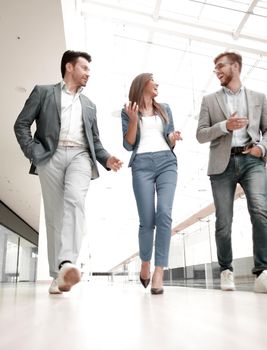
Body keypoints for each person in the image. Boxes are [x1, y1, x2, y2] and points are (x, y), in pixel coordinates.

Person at [14, 50, 122, 294]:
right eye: (84, 68)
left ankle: (66, 263)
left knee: (74, 202)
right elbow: (21, 124)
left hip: (80, 156)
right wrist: (33, 152)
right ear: (69, 67)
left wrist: (106, 158)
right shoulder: (43, 92)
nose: (88, 73)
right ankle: (57, 275)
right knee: (54, 214)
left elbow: (95, 141)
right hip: (49, 156)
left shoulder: (90, 105)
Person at [196, 51, 267, 292]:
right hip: (222, 164)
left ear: (235, 67)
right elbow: (201, 134)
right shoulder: (210, 100)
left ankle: (262, 272)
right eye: (215, 68)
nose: (217, 71)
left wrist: (261, 148)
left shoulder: (259, 97)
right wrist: (224, 126)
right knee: (224, 221)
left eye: (220, 66)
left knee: (260, 211)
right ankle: (226, 270)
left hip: (251, 160)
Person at [121, 73, 182, 294]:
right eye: (153, 80)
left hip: (167, 162)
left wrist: (173, 138)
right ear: (142, 84)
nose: (157, 83)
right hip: (142, 165)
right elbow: (128, 145)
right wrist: (134, 121)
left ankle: (159, 271)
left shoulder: (165, 108)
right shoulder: (128, 110)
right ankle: (145, 261)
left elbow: (169, 139)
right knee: (147, 220)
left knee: (164, 213)